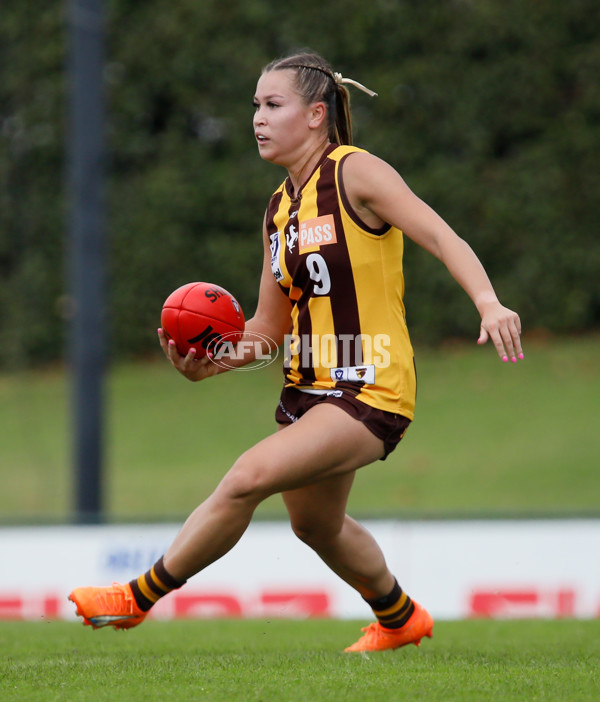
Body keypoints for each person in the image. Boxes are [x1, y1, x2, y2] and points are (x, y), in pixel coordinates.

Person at [69, 51, 523, 652]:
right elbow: (266, 329)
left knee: (245, 478)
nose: (257, 117)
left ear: (315, 115)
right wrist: (216, 362)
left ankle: (136, 597)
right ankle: (399, 617)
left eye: (272, 105)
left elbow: (441, 234)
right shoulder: (278, 210)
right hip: (307, 391)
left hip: (369, 385)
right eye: (255, 105)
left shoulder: (354, 172)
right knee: (316, 526)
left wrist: (489, 302)